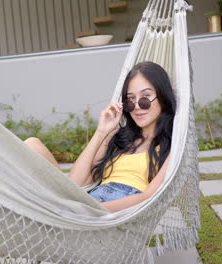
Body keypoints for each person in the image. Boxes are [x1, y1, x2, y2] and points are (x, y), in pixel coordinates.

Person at [24, 61, 176, 212]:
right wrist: (101, 132)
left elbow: (148, 197)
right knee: (32, 144)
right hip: (90, 203)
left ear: (162, 98)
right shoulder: (117, 139)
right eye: (130, 100)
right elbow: (75, 184)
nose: (136, 106)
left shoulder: (172, 147)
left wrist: (92, 212)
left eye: (145, 97)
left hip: (112, 213)